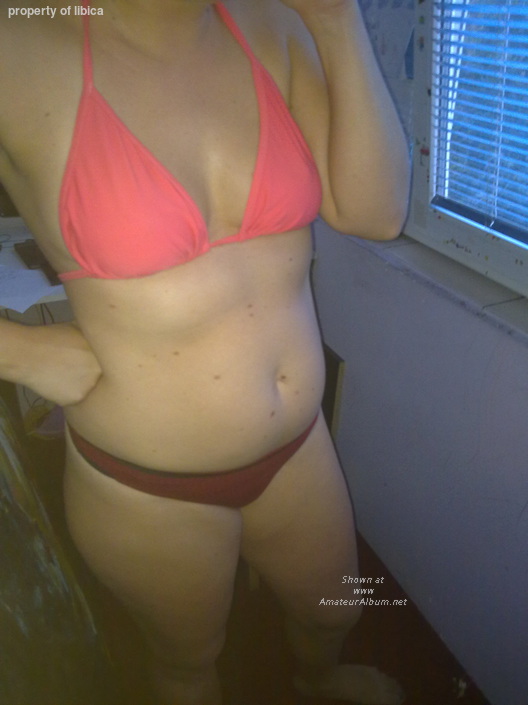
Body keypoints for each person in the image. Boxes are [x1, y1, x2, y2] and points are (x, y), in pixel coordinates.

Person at [0, 0, 410, 703]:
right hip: (143, 484)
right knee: (189, 662)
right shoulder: (20, 36)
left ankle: (318, 680)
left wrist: (337, 22)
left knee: (338, 608)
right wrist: (22, 354)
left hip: (298, 447)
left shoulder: (273, 24)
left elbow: (377, 213)